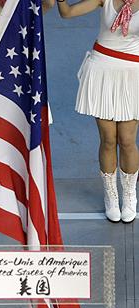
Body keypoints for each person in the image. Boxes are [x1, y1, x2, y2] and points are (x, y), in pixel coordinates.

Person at [57, 0, 139, 223]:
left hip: (132, 74)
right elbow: (67, 13)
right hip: (102, 70)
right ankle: (111, 196)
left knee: (127, 140)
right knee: (108, 139)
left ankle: (129, 195)